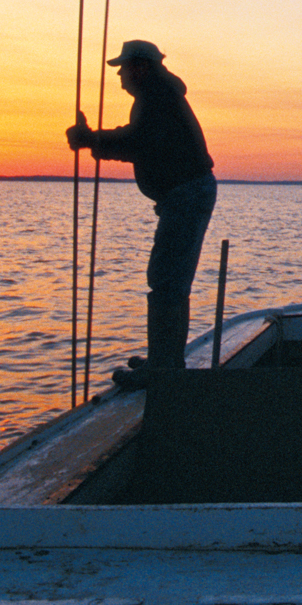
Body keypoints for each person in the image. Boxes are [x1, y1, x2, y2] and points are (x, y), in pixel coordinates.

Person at [66, 39, 217, 386]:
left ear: (140, 68)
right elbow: (141, 145)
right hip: (186, 194)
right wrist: (94, 140)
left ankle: (164, 370)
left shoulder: (158, 99)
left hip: (187, 195)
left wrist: (90, 140)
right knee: (170, 280)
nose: (119, 75)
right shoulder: (158, 96)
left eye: (123, 67)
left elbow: (137, 142)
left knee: (166, 280)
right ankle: (167, 361)